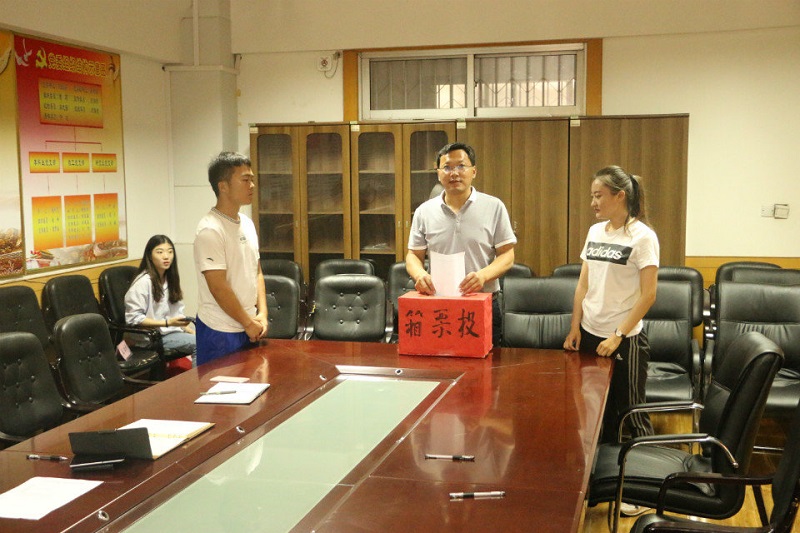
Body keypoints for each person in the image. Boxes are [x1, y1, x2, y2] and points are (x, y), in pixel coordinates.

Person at [563, 165, 659, 447]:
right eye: (592, 196)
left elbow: (649, 295)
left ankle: (646, 468)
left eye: (599, 196)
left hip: (625, 339)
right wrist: (575, 327)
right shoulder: (595, 232)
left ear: (619, 196)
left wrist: (618, 335)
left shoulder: (642, 237)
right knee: (595, 411)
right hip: (590, 333)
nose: (593, 202)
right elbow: (583, 285)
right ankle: (603, 469)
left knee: (631, 412)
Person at [405, 142, 516, 347]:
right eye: (447, 167)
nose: (454, 173)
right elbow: (413, 255)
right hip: (439, 303)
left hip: (483, 301)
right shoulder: (424, 211)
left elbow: (507, 255)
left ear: (474, 171)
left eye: (461, 166)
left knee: (486, 363)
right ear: (438, 173)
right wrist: (419, 275)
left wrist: (483, 276)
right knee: (438, 361)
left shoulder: (494, 207)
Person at [193, 151, 267, 366]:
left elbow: (256, 271)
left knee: (254, 383)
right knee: (220, 386)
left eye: (252, 179)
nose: (252, 185)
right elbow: (218, 287)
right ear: (223, 186)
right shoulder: (210, 229)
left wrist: (262, 313)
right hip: (220, 329)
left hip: (250, 325)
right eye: (245, 180)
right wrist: (247, 323)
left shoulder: (247, 223)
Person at [124, 234, 196, 361]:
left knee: (205, 340)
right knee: (199, 344)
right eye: (160, 252)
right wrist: (167, 323)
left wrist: (187, 329)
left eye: (170, 252)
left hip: (170, 331)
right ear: (150, 256)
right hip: (151, 337)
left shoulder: (170, 279)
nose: (166, 256)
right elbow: (133, 318)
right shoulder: (143, 282)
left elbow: (176, 312)